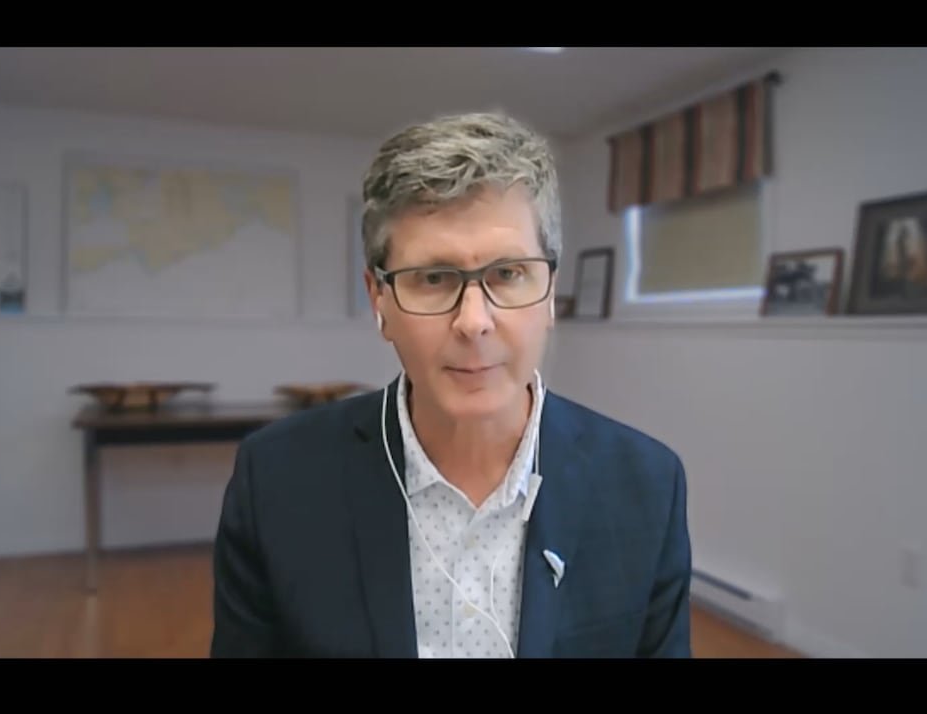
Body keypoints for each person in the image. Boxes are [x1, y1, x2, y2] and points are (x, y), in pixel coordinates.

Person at [210, 111, 692, 658]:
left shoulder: (646, 485)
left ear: (551, 291)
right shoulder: (276, 482)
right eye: (434, 278)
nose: (473, 321)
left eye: (508, 273)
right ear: (380, 300)